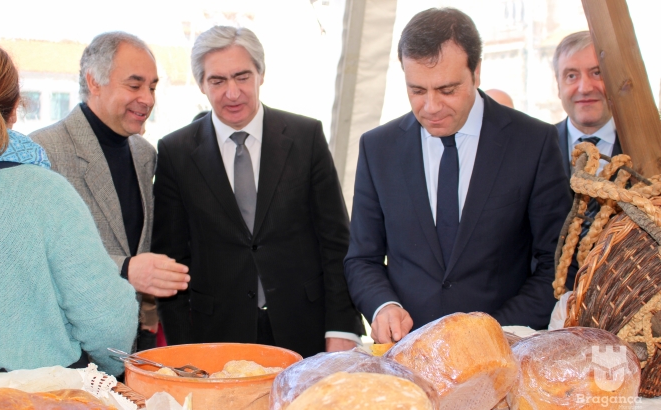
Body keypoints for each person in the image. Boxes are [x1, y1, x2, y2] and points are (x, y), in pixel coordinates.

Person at [343, 8, 573, 344]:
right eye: (417, 90)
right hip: (410, 352)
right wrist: (383, 306)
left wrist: (491, 333)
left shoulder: (532, 142)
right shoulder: (379, 148)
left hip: (503, 353)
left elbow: (557, 265)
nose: (431, 107)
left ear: (476, 72)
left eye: (447, 90)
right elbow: (362, 259)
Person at [0, 36, 137, 384]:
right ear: (15, 107)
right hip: (36, 396)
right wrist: (105, 374)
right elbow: (108, 322)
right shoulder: (47, 194)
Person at [152, 26, 363, 358]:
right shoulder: (175, 152)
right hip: (218, 339)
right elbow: (172, 262)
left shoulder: (306, 137)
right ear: (201, 85)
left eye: (242, 77)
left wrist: (341, 327)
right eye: (217, 81)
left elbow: (336, 242)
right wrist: (184, 351)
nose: (232, 92)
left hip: (306, 330)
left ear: (261, 75)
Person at [30, 32, 190, 351]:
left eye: (153, 86)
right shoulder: (42, 150)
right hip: (69, 351)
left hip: (135, 345)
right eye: (134, 85)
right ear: (94, 82)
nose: (147, 98)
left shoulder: (145, 154)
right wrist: (125, 269)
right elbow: (37, 257)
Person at [552, 31, 622, 292]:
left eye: (597, 73)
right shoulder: (534, 149)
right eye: (571, 75)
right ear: (558, 86)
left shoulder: (647, 151)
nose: (584, 87)